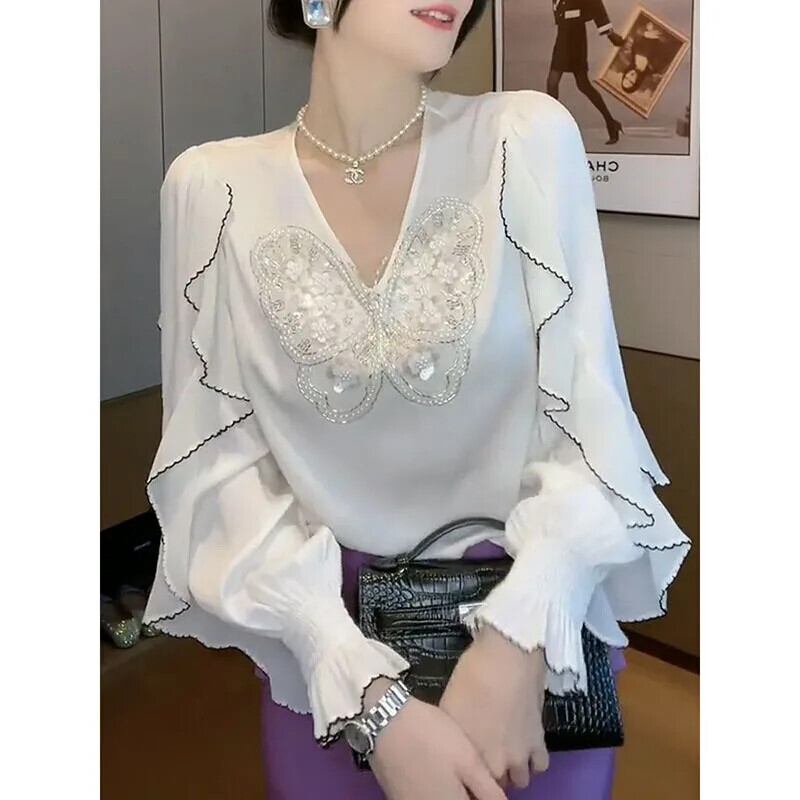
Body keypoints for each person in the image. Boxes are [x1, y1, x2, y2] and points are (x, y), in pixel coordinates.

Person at [142, 1, 692, 798]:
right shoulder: (212, 187)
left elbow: (593, 420)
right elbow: (220, 470)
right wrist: (371, 699)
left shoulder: (523, 138)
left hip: (532, 637)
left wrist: (516, 638)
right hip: (329, 656)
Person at [547, 0, 627, 144]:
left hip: (576, 38)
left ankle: (610, 122)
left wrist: (610, 34)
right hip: (563, 36)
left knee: (583, 84)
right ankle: (552, 127)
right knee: (552, 83)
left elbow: (595, 4)